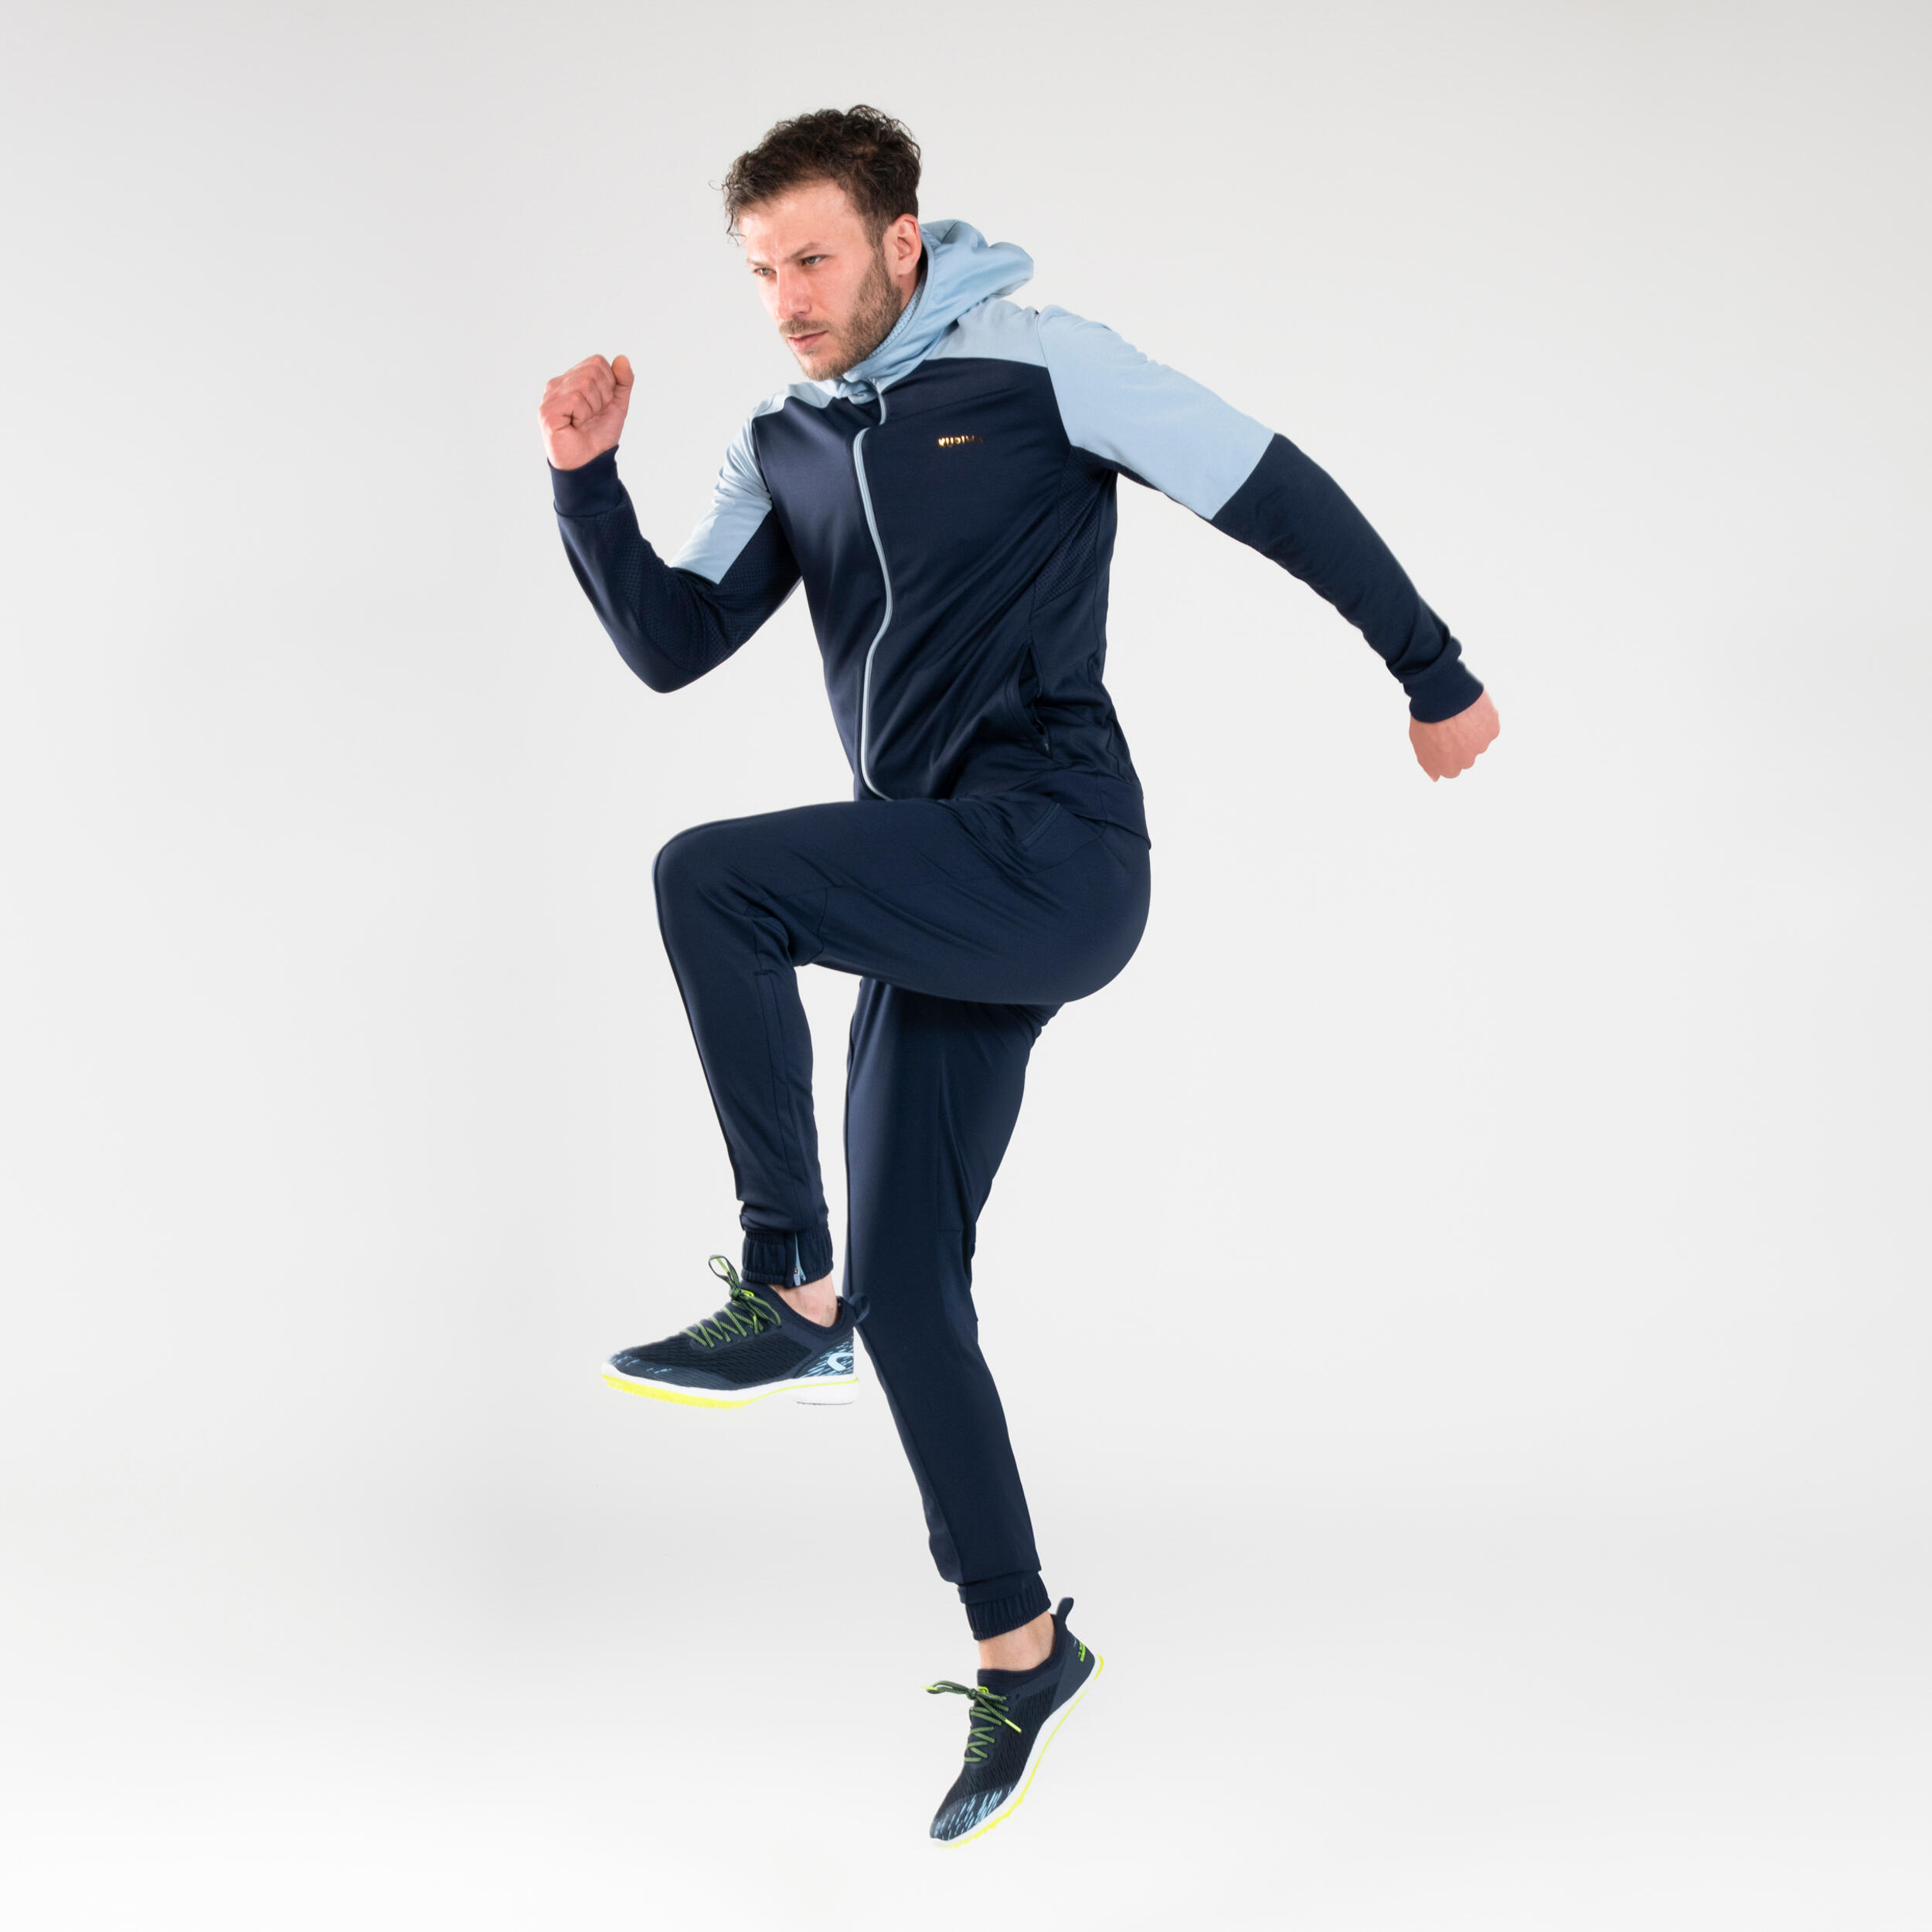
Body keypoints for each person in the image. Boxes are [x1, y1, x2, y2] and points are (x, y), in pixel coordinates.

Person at [538, 105, 1498, 1845]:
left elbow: (1271, 486)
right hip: (934, 879)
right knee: (913, 1292)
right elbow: (673, 646)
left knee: (710, 880)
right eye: (760, 271)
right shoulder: (784, 442)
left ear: (901, 243)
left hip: (1053, 847)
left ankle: (785, 1284)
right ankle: (1024, 1649)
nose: (786, 298)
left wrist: (1429, 671)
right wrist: (585, 484)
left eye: (813, 258)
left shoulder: (1044, 366)